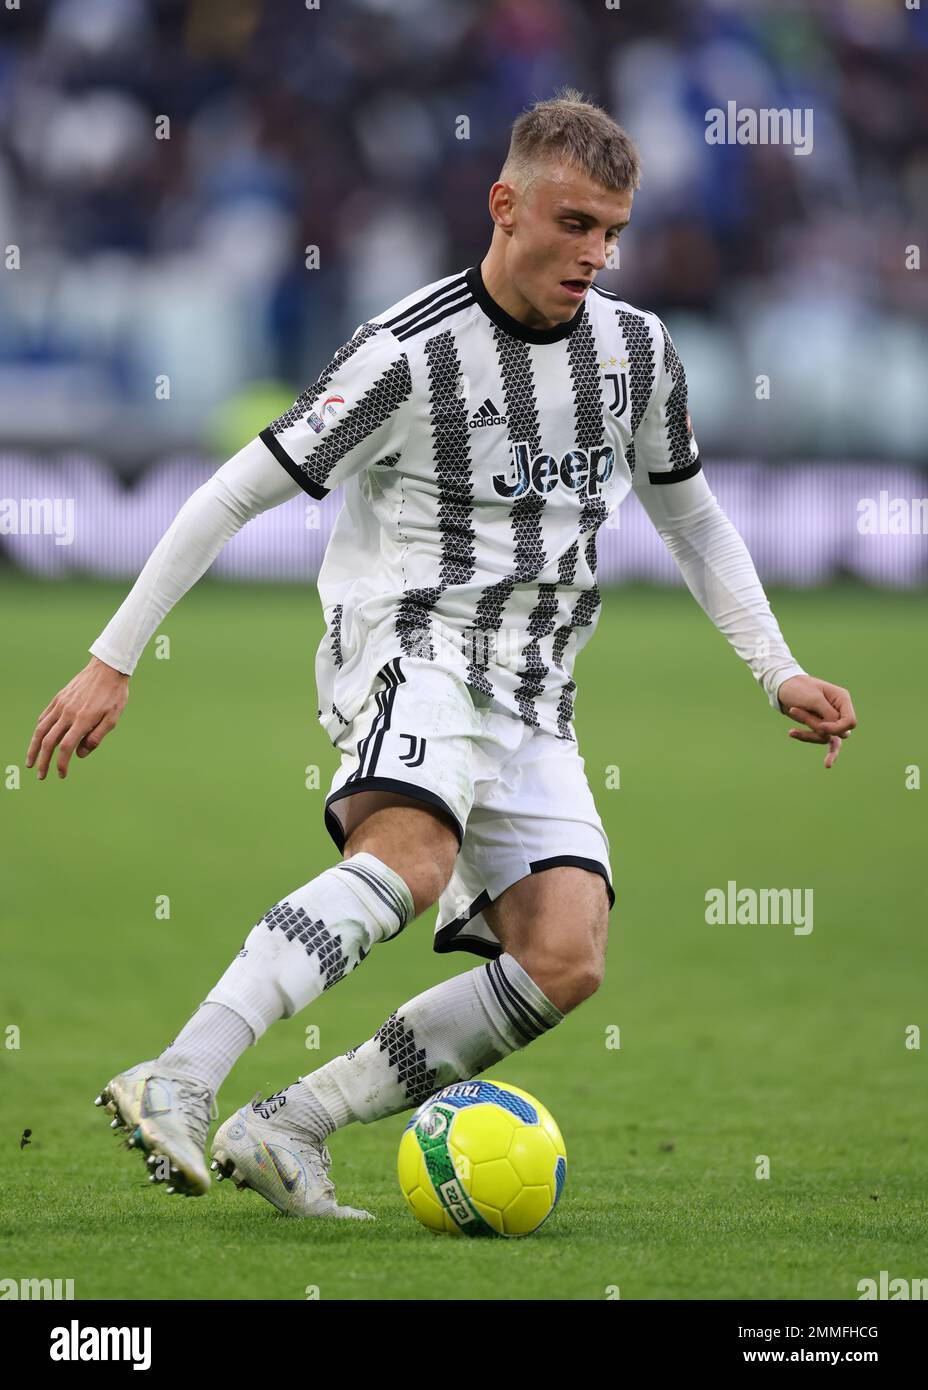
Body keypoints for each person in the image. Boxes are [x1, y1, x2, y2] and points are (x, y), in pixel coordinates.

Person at [25, 89, 856, 1220]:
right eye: (572, 224)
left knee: (565, 956)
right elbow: (230, 492)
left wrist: (780, 670)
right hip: (407, 646)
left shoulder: (636, 354)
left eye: (612, 230)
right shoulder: (406, 356)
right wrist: (111, 658)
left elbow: (692, 519)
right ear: (503, 203)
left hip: (535, 693)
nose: (594, 254)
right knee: (409, 863)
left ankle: (290, 1124)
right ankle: (180, 1072)